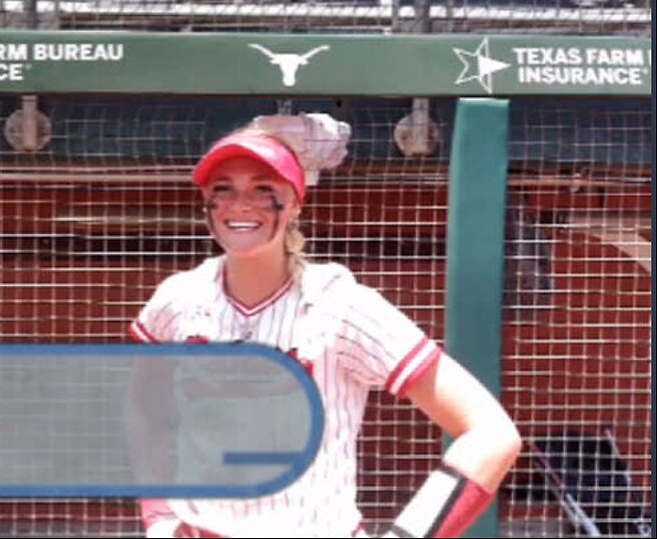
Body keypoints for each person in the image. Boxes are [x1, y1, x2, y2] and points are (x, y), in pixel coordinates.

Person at [128, 125, 522, 538]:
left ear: (296, 203)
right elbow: (148, 412)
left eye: (263, 188)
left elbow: (491, 433)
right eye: (222, 188)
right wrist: (159, 517)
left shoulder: (340, 305)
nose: (240, 204)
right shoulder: (177, 301)